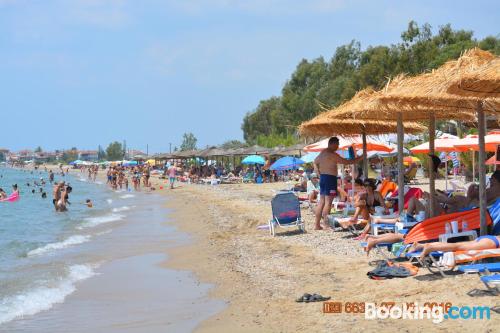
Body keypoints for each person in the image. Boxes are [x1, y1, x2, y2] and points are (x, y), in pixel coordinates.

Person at [313, 137, 363, 230]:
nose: (338, 147)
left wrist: (319, 174)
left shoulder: (323, 153)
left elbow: (315, 162)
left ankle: (317, 225)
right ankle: (326, 224)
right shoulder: (331, 154)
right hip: (329, 178)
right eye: (337, 145)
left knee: (322, 201)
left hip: (324, 178)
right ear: (332, 144)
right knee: (328, 202)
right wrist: (360, 158)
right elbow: (346, 162)